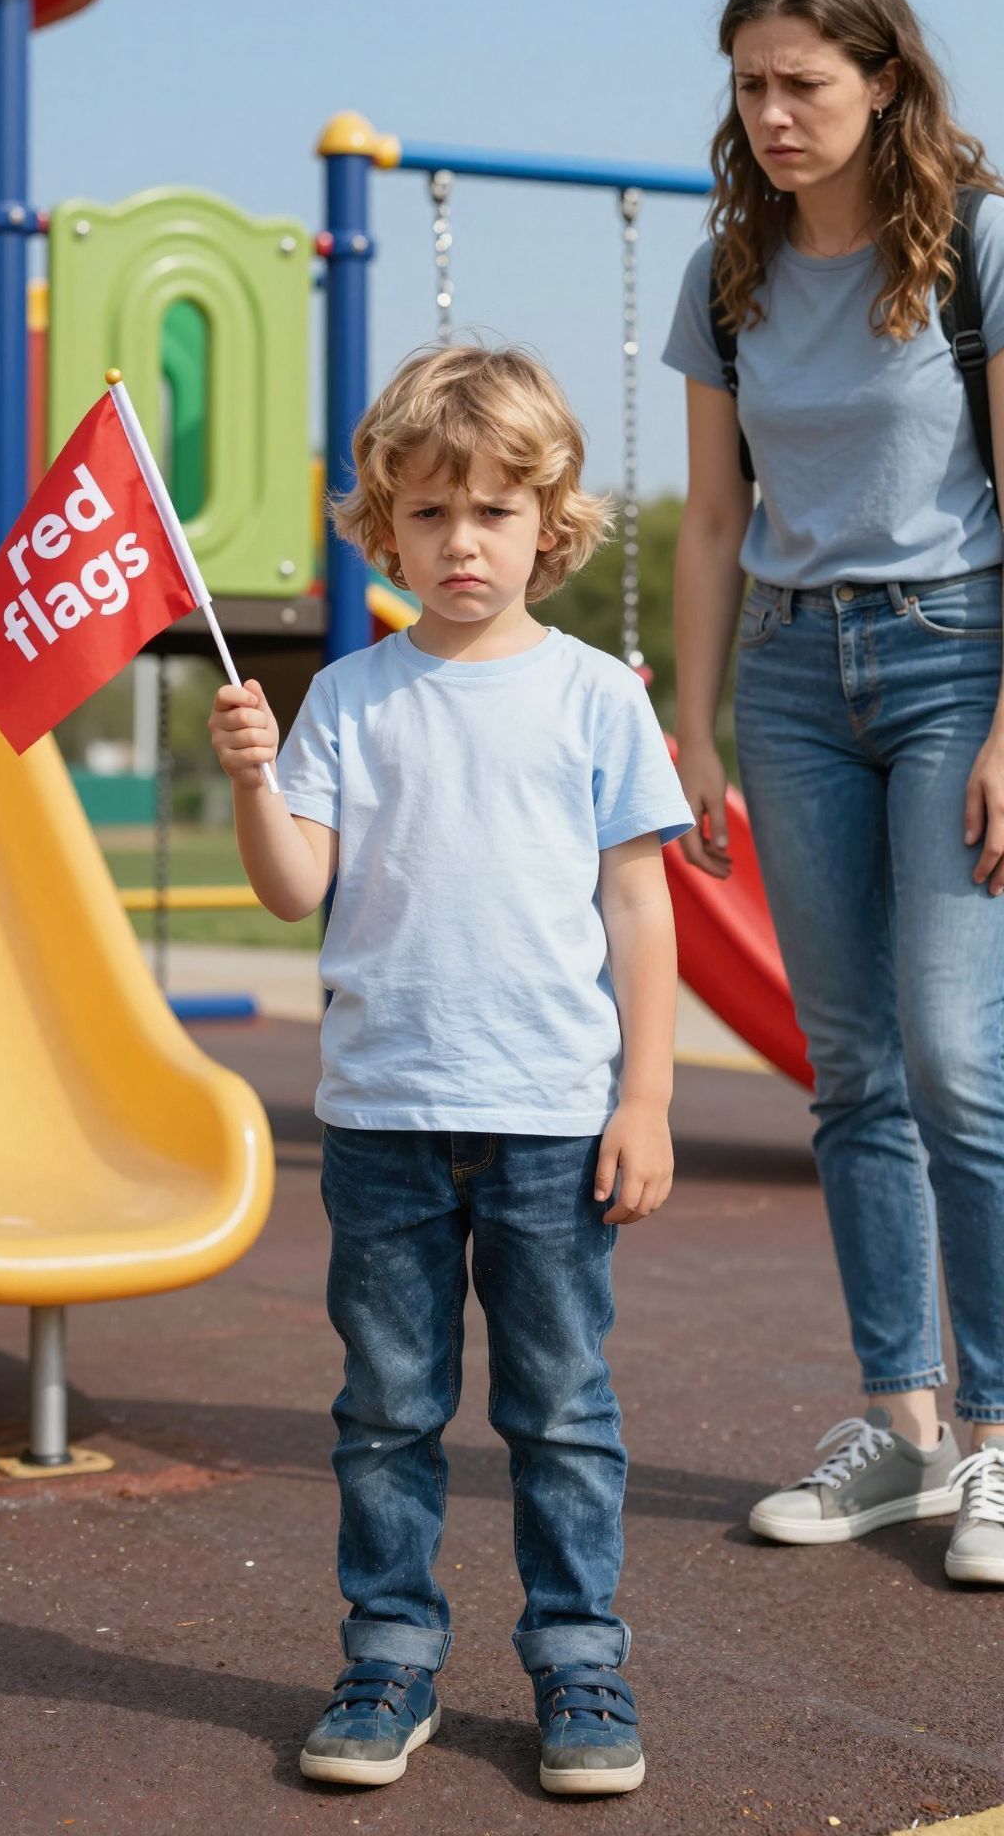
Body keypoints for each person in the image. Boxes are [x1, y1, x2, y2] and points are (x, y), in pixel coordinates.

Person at [209, 344, 693, 1794]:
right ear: (384, 530)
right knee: (386, 1411)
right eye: (429, 514)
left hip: (552, 1121)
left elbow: (637, 907)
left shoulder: (597, 696)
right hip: (383, 1121)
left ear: (551, 520)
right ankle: (390, 1658)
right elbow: (295, 889)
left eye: (493, 510)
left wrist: (650, 1096)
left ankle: (581, 1667)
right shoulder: (350, 698)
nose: (462, 541)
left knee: (560, 1410)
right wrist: (252, 780)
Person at [664, 0, 1004, 1584]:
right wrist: (695, 715)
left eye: (805, 81)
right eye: (751, 85)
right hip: (794, 676)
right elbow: (715, 519)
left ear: (883, 79)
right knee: (852, 1066)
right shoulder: (728, 269)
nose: (776, 112)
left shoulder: (976, 248)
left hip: (957, 661)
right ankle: (909, 1431)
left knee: (957, 1055)